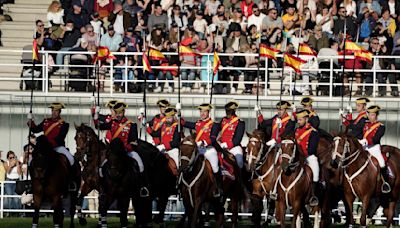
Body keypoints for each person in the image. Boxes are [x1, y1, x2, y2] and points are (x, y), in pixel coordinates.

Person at [97, 101, 149, 197]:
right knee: (101, 168)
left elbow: (134, 141)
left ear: (124, 112)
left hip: (126, 151)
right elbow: (99, 126)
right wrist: (96, 116)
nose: (118, 115)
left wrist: (127, 147)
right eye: (116, 113)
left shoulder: (131, 124)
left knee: (140, 164)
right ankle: (103, 189)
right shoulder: (112, 123)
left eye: (120, 112)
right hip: (113, 152)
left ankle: (142, 187)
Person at [182, 103, 222, 197]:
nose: (202, 113)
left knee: (215, 167)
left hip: (208, 150)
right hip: (198, 149)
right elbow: (185, 123)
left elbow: (212, 138)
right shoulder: (198, 123)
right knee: (186, 163)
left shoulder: (214, 124)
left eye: (205, 111)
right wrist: (178, 114)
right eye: (201, 111)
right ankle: (181, 185)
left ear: (209, 112)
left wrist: (203, 142)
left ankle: (218, 188)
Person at [28, 103, 75, 167]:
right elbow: (36, 130)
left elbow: (60, 138)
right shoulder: (45, 121)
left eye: (56, 111)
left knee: (71, 159)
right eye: (52, 110)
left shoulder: (64, 125)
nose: (54, 112)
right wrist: (31, 122)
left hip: (57, 147)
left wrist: (48, 144)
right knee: (30, 161)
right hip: (44, 148)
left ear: (59, 112)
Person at [358, 105, 390, 193]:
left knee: (382, 162)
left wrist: (365, 141)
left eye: (373, 115)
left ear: (376, 115)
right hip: (364, 147)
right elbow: (356, 131)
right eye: (370, 114)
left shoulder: (381, 126)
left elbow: (376, 138)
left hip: (374, 148)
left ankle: (385, 183)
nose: (371, 116)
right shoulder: (364, 124)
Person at [294, 109, 320, 206]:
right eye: (298, 119)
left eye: (300, 119)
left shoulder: (313, 132)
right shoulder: (296, 130)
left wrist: (302, 154)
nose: (298, 121)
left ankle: (313, 195)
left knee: (315, 173)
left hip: (309, 157)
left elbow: (312, 148)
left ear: (306, 119)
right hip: (297, 157)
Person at [216, 101, 245, 168]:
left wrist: (227, 145)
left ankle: (240, 178)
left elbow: (238, 139)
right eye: (227, 111)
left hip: (234, 147)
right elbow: (217, 129)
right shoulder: (223, 120)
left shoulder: (240, 122)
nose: (228, 113)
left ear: (234, 111)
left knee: (239, 161)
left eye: (229, 111)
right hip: (221, 145)